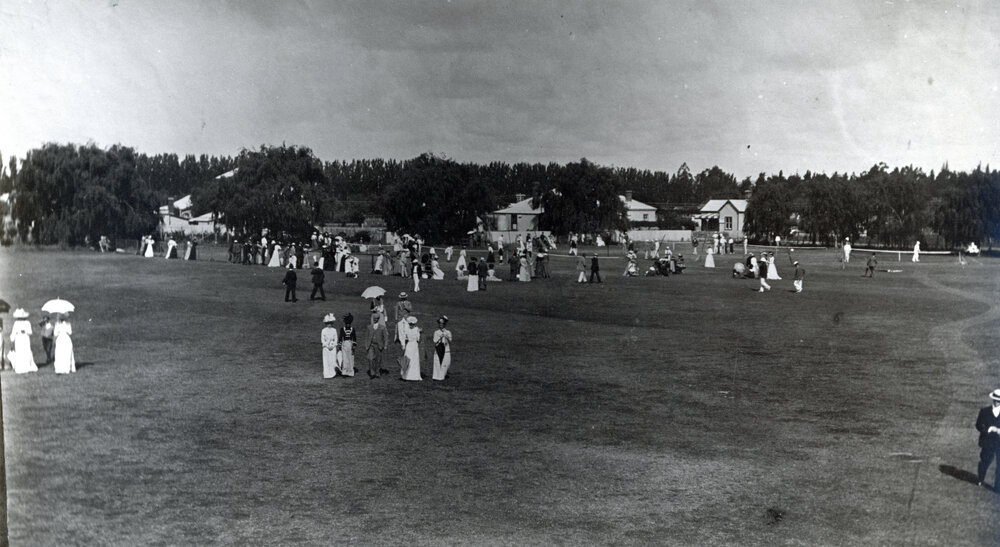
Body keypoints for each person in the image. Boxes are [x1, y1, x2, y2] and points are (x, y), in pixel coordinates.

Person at [975, 389, 1000, 488]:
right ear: (993, 400)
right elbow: (978, 425)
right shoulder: (984, 411)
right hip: (988, 442)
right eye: (996, 400)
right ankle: (980, 479)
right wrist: (990, 429)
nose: (997, 402)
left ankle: (997, 486)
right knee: (985, 461)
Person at [8, 309, 38, 374]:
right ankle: (20, 367)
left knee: (26, 351)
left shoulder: (27, 323)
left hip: (25, 338)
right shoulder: (16, 323)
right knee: (20, 352)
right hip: (18, 339)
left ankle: (27, 366)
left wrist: (25, 331)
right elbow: (13, 332)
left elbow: (30, 332)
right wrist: (12, 339)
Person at [366, 311, 389, 378]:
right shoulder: (369, 327)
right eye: (374, 318)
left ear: (378, 319)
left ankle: (377, 372)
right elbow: (366, 337)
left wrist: (385, 345)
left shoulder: (382, 327)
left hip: (379, 345)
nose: (375, 320)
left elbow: (386, 337)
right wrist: (367, 345)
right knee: (370, 358)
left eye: (376, 319)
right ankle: (372, 372)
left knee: (378, 359)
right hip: (371, 345)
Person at [400, 316, 422, 381]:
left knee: (414, 360)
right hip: (410, 345)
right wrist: (403, 345)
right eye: (410, 324)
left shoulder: (416, 329)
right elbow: (403, 337)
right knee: (408, 359)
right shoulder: (408, 329)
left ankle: (414, 376)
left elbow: (418, 339)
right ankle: (406, 375)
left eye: (412, 324)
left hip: (414, 346)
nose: (411, 325)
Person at [432, 316, 453, 381]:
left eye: (442, 324)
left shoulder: (448, 332)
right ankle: (436, 376)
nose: (441, 325)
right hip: (438, 348)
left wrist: (446, 336)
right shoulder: (436, 332)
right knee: (437, 361)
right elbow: (435, 341)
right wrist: (440, 337)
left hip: (446, 348)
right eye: (440, 324)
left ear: (444, 325)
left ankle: (442, 375)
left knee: (446, 361)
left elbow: (450, 340)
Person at [321, 314, 339, 378]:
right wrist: (327, 346)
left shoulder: (334, 330)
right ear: (326, 323)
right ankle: (327, 374)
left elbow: (336, 339)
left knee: (332, 360)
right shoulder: (323, 330)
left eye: (330, 323)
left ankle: (332, 373)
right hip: (326, 348)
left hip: (332, 347)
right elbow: (322, 340)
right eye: (328, 323)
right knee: (326, 361)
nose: (329, 325)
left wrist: (333, 345)